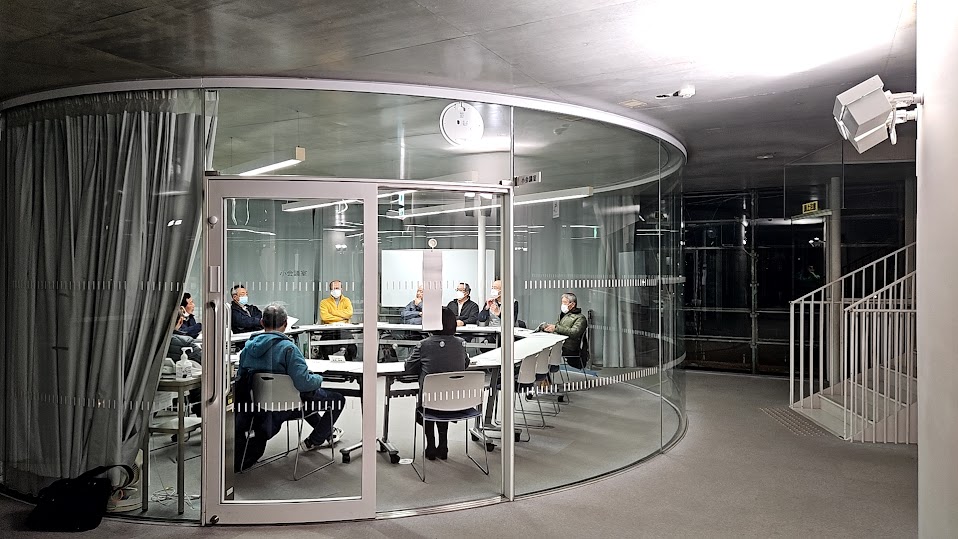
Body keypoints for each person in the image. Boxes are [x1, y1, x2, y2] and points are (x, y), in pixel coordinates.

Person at [236, 304, 345, 471]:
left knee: (306, 400)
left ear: (262, 322)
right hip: (288, 406)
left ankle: (325, 435)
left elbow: (241, 378)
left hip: (260, 407)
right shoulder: (289, 349)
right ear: (286, 324)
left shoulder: (247, 349)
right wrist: (318, 378)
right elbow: (304, 383)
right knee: (337, 399)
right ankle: (315, 440)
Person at [405, 307, 470, 461]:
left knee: (431, 401)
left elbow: (409, 368)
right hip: (453, 400)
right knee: (442, 400)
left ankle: (431, 446)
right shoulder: (461, 344)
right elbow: (465, 364)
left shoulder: (423, 345)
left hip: (429, 401)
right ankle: (443, 445)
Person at [167, 306, 202, 417]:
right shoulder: (186, 342)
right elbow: (204, 360)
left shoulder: (150, 342)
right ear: (181, 321)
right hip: (184, 386)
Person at [319, 279, 358, 361]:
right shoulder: (324, 302)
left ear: (341, 289)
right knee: (327, 350)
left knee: (351, 349)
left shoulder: (346, 300)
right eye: (333, 288)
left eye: (337, 288)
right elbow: (325, 317)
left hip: (345, 331)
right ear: (330, 290)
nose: (335, 290)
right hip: (329, 332)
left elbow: (349, 313)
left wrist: (333, 312)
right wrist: (343, 318)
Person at [543, 292, 587, 362]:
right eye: (562, 302)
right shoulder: (563, 315)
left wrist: (556, 328)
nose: (563, 305)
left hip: (569, 346)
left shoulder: (580, 318)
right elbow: (557, 328)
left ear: (572, 304)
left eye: (565, 303)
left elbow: (574, 333)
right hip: (559, 342)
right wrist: (550, 329)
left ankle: (550, 367)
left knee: (546, 350)